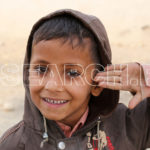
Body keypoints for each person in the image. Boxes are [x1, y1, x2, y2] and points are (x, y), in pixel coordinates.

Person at [0, 9, 149, 150]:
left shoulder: (128, 125)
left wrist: (146, 78)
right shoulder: (14, 144)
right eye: (41, 69)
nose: (52, 86)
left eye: (72, 73)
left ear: (96, 84)